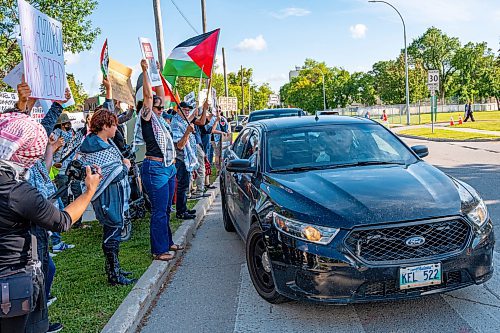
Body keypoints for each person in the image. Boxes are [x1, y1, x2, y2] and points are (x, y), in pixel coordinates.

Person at [0, 84, 101, 333]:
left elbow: (19, 131)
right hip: (14, 285)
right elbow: (63, 221)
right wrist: (89, 191)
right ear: (27, 155)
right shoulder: (18, 193)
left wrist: (28, 101)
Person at [134, 59, 185, 261]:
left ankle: (167, 242)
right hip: (155, 168)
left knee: (166, 208)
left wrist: (156, 73)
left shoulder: (161, 121)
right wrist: (145, 72)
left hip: (167, 168)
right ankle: (158, 250)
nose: (161, 110)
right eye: (158, 107)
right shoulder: (146, 118)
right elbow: (149, 97)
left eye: (162, 107)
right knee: (158, 211)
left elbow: (159, 95)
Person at [78, 109, 135, 285]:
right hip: (107, 196)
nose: (116, 128)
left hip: (111, 195)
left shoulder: (102, 142)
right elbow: (113, 173)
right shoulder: (97, 146)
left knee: (113, 230)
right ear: (104, 126)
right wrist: (125, 166)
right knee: (112, 231)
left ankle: (114, 268)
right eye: (114, 124)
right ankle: (114, 275)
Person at [171, 101, 200, 220]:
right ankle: (181, 211)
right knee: (182, 185)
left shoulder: (184, 121)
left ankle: (184, 207)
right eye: (185, 110)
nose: (187, 112)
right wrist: (188, 132)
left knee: (185, 184)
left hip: (187, 158)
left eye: (189, 110)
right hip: (180, 158)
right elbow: (180, 145)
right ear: (178, 110)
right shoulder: (176, 123)